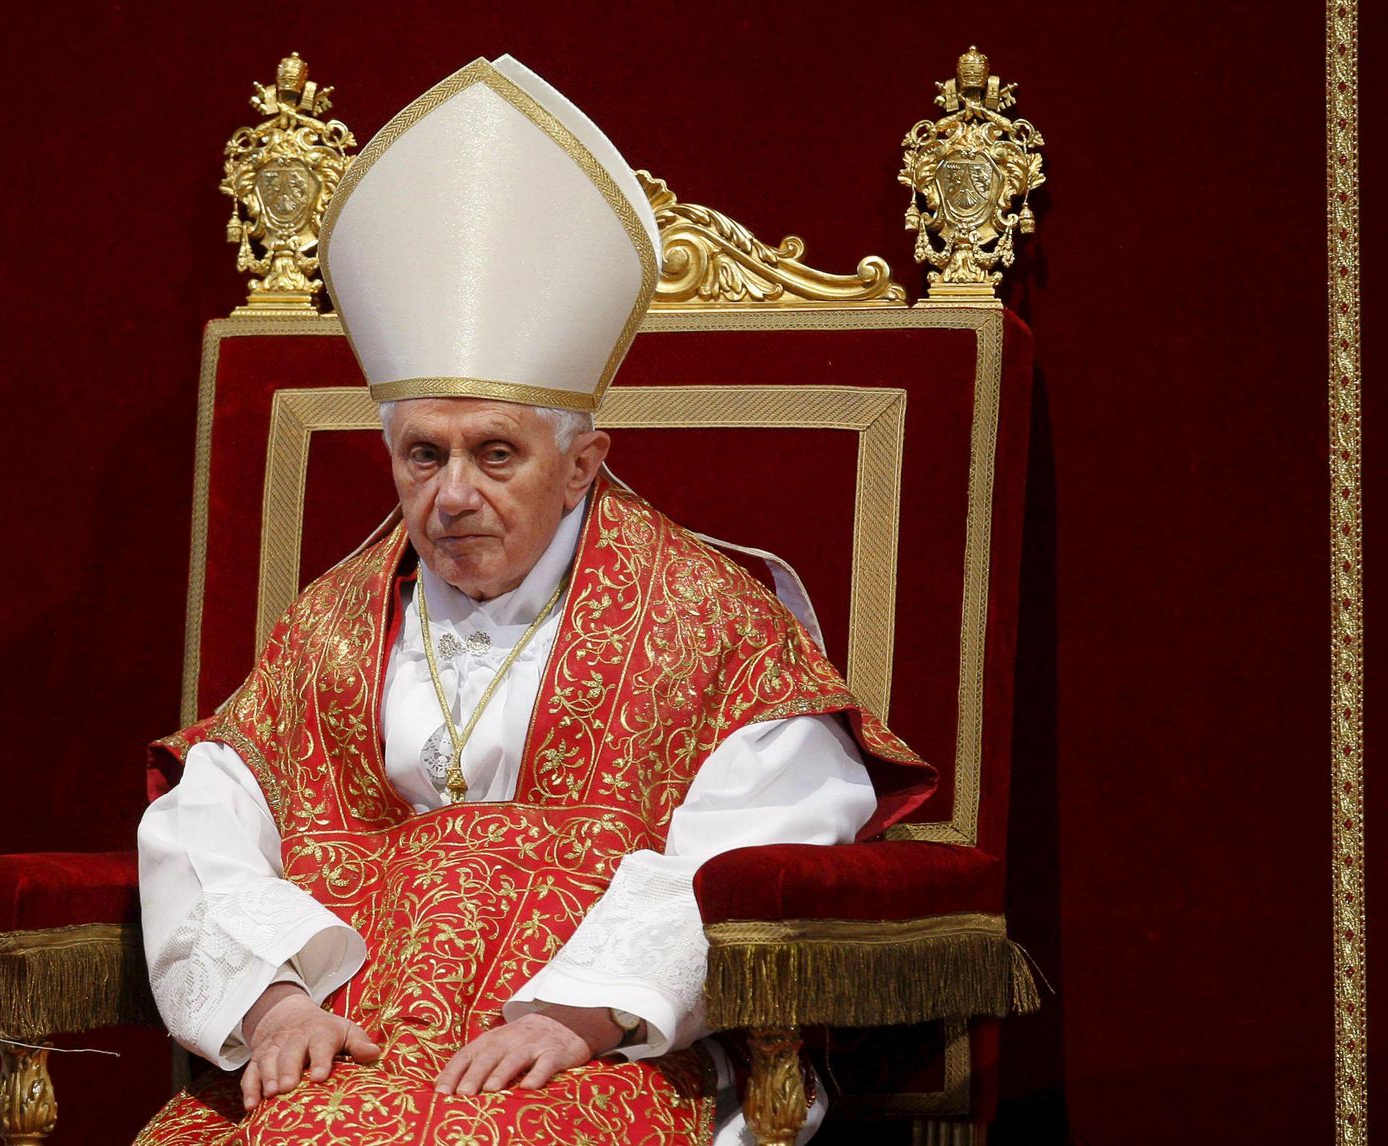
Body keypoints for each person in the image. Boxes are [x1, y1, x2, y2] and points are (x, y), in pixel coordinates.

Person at [135, 55, 935, 1146]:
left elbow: (768, 834)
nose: (451, 493)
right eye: (423, 454)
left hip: (587, 1051)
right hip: (349, 1038)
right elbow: (204, 822)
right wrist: (271, 1001)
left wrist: (584, 1010)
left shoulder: (707, 621)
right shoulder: (332, 628)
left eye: (494, 453)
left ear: (582, 461)